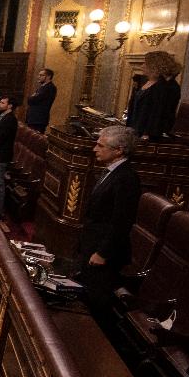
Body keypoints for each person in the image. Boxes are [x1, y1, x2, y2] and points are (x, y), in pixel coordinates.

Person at [78, 125, 140, 309]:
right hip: (92, 244)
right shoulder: (111, 172)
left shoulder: (127, 178)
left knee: (96, 302)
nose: (94, 149)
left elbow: (122, 222)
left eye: (100, 145)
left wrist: (103, 253)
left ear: (119, 150)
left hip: (104, 253)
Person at [25, 68, 57, 133]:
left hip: (38, 119)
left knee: (35, 140)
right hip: (34, 119)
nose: (38, 77)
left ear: (48, 76)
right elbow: (30, 100)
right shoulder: (42, 87)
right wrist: (31, 98)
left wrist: (32, 97)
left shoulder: (49, 87)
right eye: (38, 75)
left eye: (41, 75)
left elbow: (33, 100)